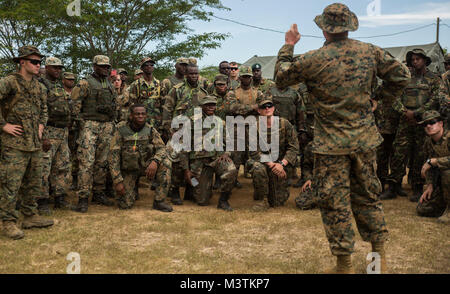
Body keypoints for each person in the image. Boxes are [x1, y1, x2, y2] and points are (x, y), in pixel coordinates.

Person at [275, 3, 410, 273]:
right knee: (368, 199)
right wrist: (378, 99)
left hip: (330, 147)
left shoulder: (312, 59)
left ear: (324, 29)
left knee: (335, 204)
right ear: (349, 27)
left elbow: (280, 78)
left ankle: (343, 266)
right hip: (364, 142)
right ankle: (377, 264)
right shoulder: (370, 52)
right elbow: (401, 76)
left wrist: (288, 45)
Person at [0, 45, 54, 239]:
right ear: (22, 62)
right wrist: (3, 125)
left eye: (40, 62)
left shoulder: (39, 86)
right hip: (14, 144)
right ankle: (7, 222)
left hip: (34, 143)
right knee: (10, 184)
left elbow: (44, 109)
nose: (38, 65)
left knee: (33, 182)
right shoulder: (9, 83)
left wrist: (41, 125)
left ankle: (30, 215)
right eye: (34, 62)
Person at [381, 49, 444, 202]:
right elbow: (394, 97)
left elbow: (435, 99)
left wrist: (417, 113)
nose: (415, 62)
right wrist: (405, 112)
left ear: (425, 60)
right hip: (404, 122)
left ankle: (417, 187)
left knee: (419, 154)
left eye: (418, 59)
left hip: (423, 123)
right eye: (413, 59)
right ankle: (393, 187)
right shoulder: (405, 78)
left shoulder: (434, 79)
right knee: (398, 152)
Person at [71, 55, 117, 212]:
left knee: (102, 162)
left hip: (107, 126)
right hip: (90, 126)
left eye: (107, 66)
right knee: (86, 162)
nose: (106, 69)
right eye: (102, 66)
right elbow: (75, 106)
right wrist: (81, 124)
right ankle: (83, 197)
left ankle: (98, 192)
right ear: (94, 67)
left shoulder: (110, 84)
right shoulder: (85, 83)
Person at [109, 104, 173, 211]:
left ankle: (159, 201)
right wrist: (117, 181)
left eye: (143, 114)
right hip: (128, 169)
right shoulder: (121, 129)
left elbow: (162, 148)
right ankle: (132, 189)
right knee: (125, 205)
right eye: (137, 114)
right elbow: (113, 156)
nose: (140, 116)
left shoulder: (150, 130)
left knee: (166, 163)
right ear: (131, 116)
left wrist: (155, 162)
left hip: (146, 167)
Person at [180, 96, 237, 210]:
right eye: (208, 105)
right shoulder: (191, 122)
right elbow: (184, 147)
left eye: (213, 105)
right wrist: (186, 170)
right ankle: (193, 187)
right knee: (202, 201)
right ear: (202, 106)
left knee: (231, 170)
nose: (211, 107)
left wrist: (227, 153)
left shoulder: (220, 122)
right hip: (200, 163)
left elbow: (230, 142)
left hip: (218, 159)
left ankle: (223, 200)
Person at [163, 63, 208, 203]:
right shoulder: (177, 90)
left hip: (197, 133)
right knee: (177, 162)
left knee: (194, 163)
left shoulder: (203, 92)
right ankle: (175, 191)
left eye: (196, 73)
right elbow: (167, 109)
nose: (194, 76)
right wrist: (169, 130)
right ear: (186, 74)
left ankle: (190, 190)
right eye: (191, 73)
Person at [248, 95, 299, 210]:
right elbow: (254, 151)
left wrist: (282, 164)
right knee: (257, 168)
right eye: (263, 107)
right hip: (264, 163)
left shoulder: (285, 124)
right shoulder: (254, 127)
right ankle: (263, 199)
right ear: (259, 111)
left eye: (269, 106)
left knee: (277, 202)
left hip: (281, 163)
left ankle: (269, 191)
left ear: (274, 108)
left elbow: (294, 147)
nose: (267, 109)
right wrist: (271, 165)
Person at [39, 57, 73, 213]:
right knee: (44, 167)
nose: (58, 70)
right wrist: (43, 135)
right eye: (54, 68)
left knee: (62, 166)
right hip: (48, 131)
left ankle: (59, 197)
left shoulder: (59, 86)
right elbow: (39, 112)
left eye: (60, 68)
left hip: (62, 132)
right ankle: (42, 200)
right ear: (46, 68)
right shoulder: (41, 85)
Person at [228, 66, 264, 189]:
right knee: (236, 156)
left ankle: (258, 182)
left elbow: (262, 108)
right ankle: (232, 181)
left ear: (251, 77)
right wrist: (252, 108)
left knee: (255, 155)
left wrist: (243, 109)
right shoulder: (233, 92)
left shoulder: (258, 92)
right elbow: (233, 108)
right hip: (237, 128)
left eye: (248, 77)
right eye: (244, 76)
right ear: (240, 78)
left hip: (254, 128)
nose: (246, 79)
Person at [417, 110, 449, 223]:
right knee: (423, 209)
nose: (428, 126)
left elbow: (431, 162)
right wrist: (430, 185)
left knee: (447, 171)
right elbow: (428, 166)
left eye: (432, 122)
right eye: (425, 124)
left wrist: (435, 161)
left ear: (441, 123)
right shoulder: (428, 142)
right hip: (443, 184)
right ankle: (445, 206)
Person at [128, 57, 163, 133]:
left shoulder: (160, 84)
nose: (149, 66)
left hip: (157, 122)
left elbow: (164, 104)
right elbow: (132, 105)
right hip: (141, 123)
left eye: (151, 65)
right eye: (146, 65)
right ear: (142, 68)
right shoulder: (136, 85)